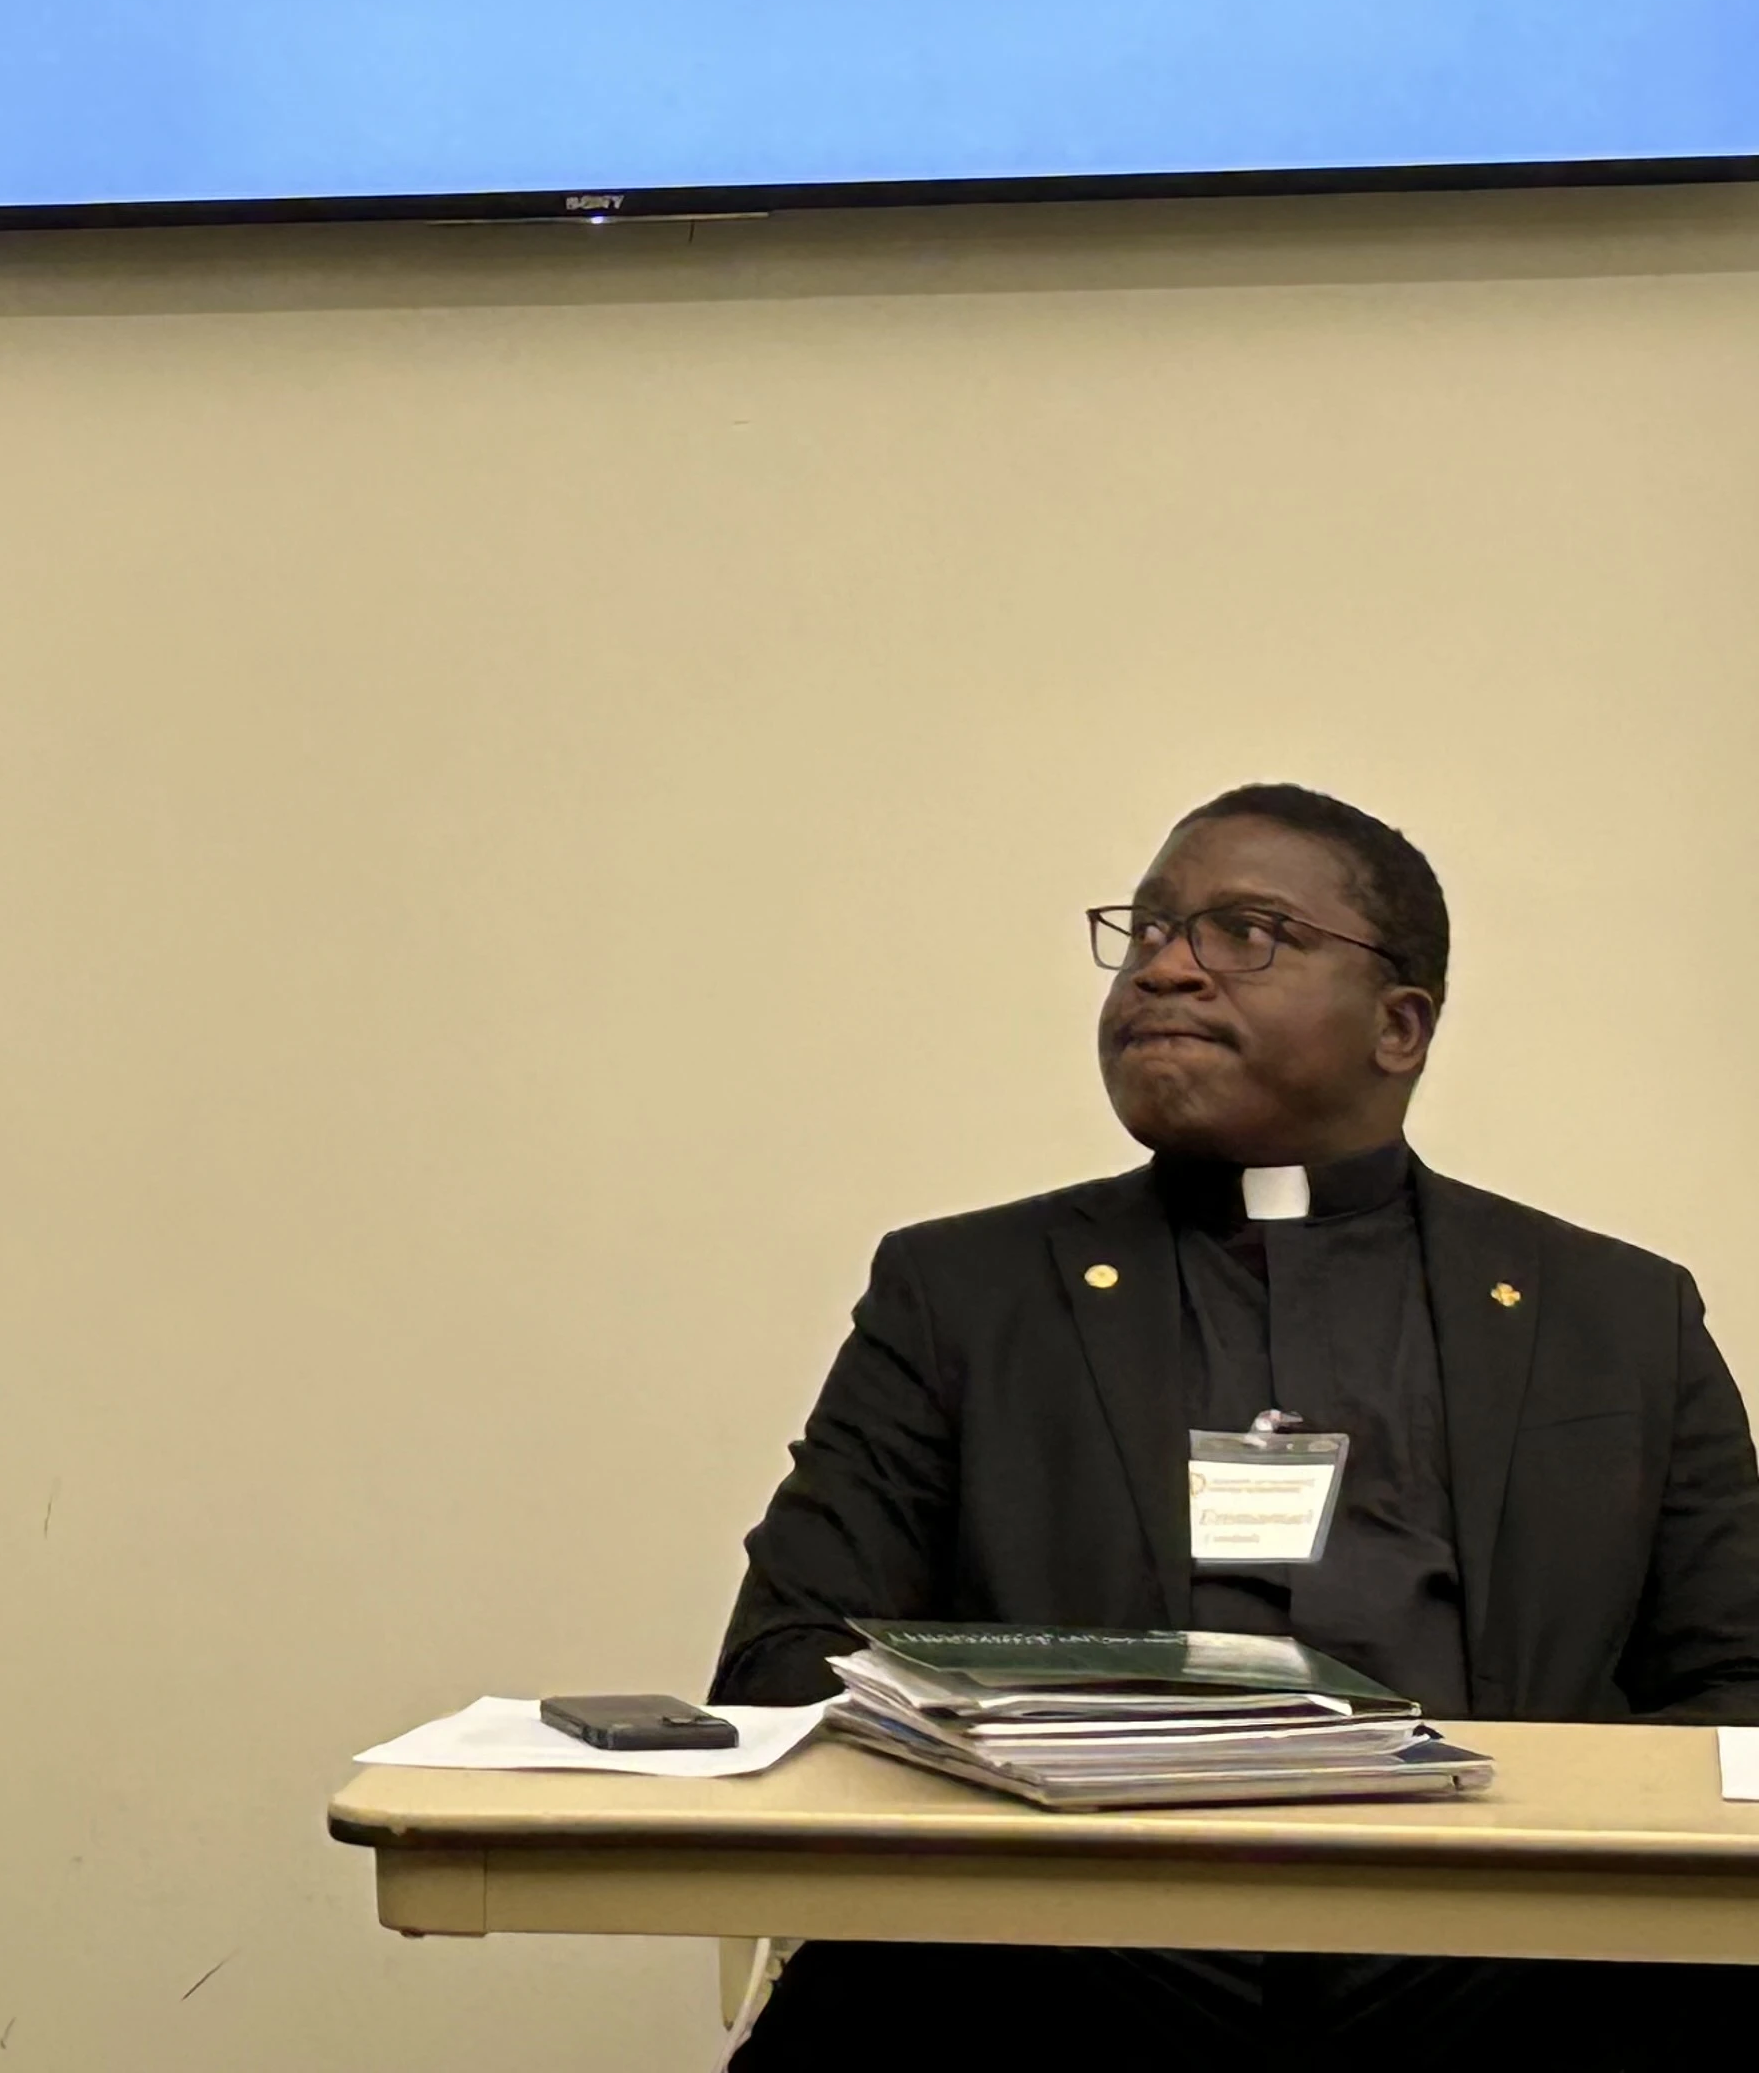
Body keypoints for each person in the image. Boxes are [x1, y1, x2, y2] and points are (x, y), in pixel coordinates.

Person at [715, 783, 1759, 2069]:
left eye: (1246, 932)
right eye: (1148, 930)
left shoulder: (1616, 1314)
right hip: (1048, 1956)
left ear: (1399, 1025)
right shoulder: (964, 1291)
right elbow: (784, 1661)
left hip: (1517, 1973)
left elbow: (1740, 1688)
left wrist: (1516, 1878)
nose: (1166, 967)